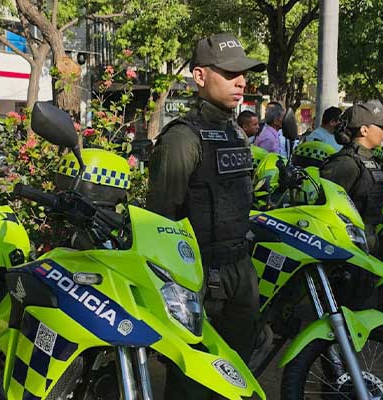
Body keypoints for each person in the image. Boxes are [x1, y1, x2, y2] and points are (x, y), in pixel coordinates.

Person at [146, 32, 264, 399]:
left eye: (243, 74)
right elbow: (161, 219)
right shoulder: (182, 138)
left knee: (237, 374)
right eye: (229, 73)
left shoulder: (235, 132)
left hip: (240, 270)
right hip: (199, 277)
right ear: (200, 76)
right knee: (193, 382)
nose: (241, 81)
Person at [321, 103, 383, 254]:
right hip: (348, 245)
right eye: (381, 126)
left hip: (366, 239)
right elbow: (327, 208)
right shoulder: (346, 162)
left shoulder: (368, 159)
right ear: (364, 130)